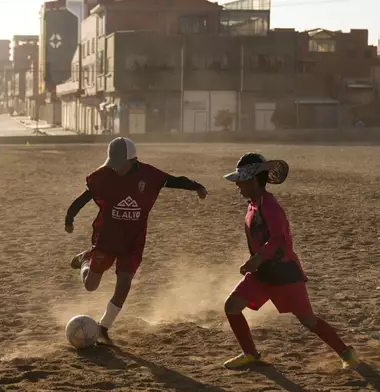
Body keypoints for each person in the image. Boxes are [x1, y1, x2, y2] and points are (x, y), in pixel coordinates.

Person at [65, 137, 208, 345]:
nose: (115, 169)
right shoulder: (103, 176)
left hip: (133, 241)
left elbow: (174, 180)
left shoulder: (149, 175)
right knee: (91, 286)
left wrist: (197, 186)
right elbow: (82, 200)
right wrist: (69, 219)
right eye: (112, 164)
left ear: (133, 160)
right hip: (107, 238)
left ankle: (104, 327)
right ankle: (86, 259)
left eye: (119, 165)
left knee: (124, 284)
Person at [222, 153, 358, 370]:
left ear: (256, 180)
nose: (237, 184)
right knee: (232, 306)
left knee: (308, 320)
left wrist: (256, 259)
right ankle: (250, 354)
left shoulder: (270, 205)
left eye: (242, 179)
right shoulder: (254, 203)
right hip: (262, 273)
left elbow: (278, 238)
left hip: (284, 273)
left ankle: (345, 351)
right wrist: (256, 263)